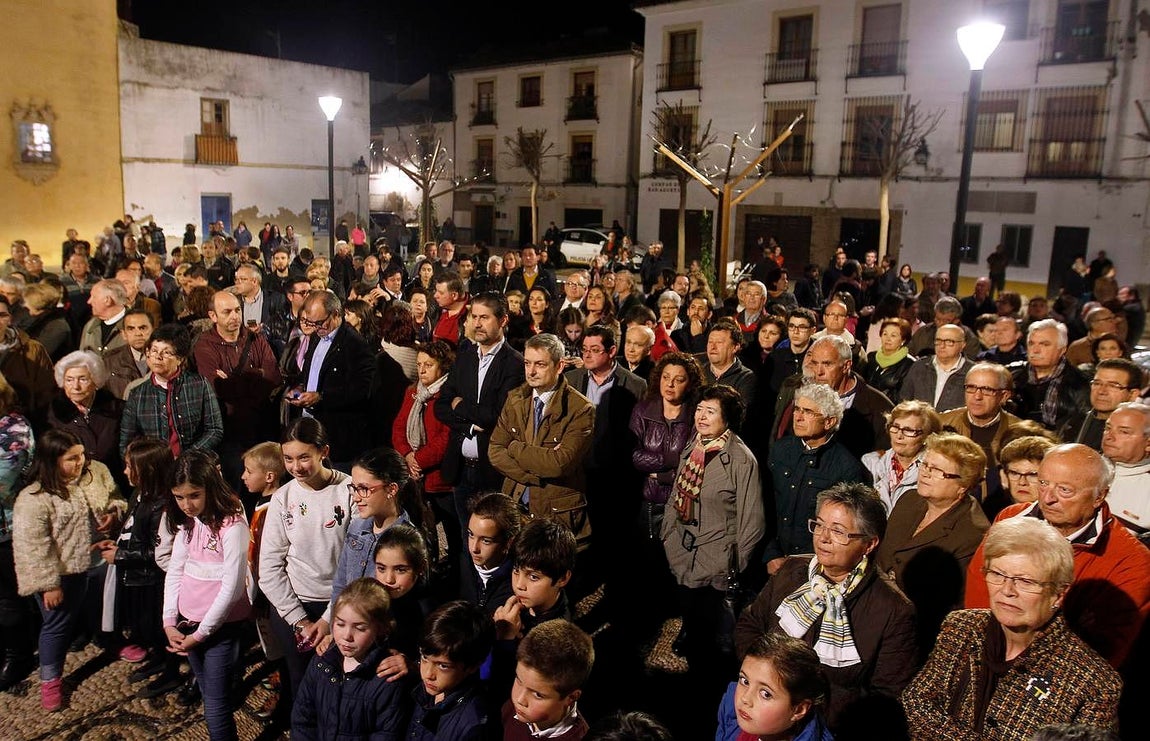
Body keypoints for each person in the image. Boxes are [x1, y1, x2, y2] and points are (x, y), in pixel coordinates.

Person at [902, 518, 1122, 739]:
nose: (1007, 591)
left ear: (1059, 594)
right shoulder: (962, 626)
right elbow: (914, 706)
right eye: (997, 574)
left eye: (1025, 581)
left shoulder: (1095, 684)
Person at [14, 429, 126, 711]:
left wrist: (94, 543)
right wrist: (48, 584)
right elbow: (33, 547)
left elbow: (73, 532)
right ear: (52, 460)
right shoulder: (33, 499)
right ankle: (50, 681)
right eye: (72, 458)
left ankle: (109, 642)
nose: (81, 462)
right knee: (56, 628)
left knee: (96, 609)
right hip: (58, 578)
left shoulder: (75, 485)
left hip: (82, 567)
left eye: (81, 455)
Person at [662, 384, 765, 679]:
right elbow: (676, 494)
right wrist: (669, 535)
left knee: (709, 640)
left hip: (717, 559)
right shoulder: (694, 445)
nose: (702, 417)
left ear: (727, 418)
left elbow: (753, 521)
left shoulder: (742, 459)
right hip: (682, 550)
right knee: (689, 613)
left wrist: (733, 563)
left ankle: (706, 685)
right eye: (699, 409)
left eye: (710, 411)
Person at [257, 417, 352, 716]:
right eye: (288, 459)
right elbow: (269, 567)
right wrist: (300, 621)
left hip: (341, 606)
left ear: (324, 451)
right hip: (294, 607)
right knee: (302, 685)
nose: (296, 467)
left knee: (339, 686)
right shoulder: (283, 498)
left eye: (303, 457)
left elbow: (355, 561)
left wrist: (327, 619)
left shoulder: (349, 490)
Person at [876, 432, 989, 653]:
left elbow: (949, 605)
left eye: (937, 470)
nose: (925, 473)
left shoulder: (973, 533)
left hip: (919, 636)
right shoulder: (909, 499)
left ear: (963, 485)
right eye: (925, 465)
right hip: (878, 614)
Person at [488, 333, 594, 546]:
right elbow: (495, 450)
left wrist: (514, 447)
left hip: (555, 513)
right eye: (527, 363)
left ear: (559, 366)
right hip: (516, 505)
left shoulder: (580, 409)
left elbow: (558, 464)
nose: (531, 371)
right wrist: (534, 475)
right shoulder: (515, 398)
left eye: (540, 364)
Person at [96, 438, 176, 687]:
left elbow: (159, 551)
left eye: (130, 466)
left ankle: (170, 670)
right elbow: (134, 531)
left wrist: (120, 556)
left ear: (148, 470)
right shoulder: (140, 494)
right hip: (137, 578)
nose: (125, 471)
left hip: (153, 581)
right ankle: (158, 657)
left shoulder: (163, 505)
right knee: (145, 627)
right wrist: (117, 542)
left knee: (158, 626)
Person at [765, 382, 869, 574]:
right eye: (797, 409)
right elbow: (765, 506)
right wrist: (771, 553)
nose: (798, 417)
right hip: (773, 561)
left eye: (808, 412)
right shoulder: (780, 450)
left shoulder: (846, 467)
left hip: (815, 566)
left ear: (829, 422)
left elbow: (846, 529)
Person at [291, 578, 413, 740]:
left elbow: (386, 734)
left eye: (360, 628)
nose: (347, 636)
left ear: (380, 629)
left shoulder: (387, 679)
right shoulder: (321, 663)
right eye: (340, 624)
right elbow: (302, 718)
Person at [193, 290, 282, 491]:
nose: (235, 316)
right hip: (230, 430)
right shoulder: (204, 346)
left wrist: (237, 379)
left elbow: (274, 377)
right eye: (227, 312)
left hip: (261, 425)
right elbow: (217, 387)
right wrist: (257, 376)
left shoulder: (255, 339)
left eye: (237, 310)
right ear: (213, 316)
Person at [326, 447, 415, 634]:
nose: (356, 497)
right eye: (354, 488)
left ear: (391, 489)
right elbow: (341, 584)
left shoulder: (406, 539)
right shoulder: (356, 527)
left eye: (364, 489)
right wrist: (336, 628)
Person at [286, 290, 375, 469]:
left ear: (335, 314)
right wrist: (300, 387)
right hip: (310, 429)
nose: (316, 328)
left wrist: (321, 397)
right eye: (311, 323)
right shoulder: (316, 337)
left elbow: (362, 391)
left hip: (338, 438)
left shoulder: (355, 346)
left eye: (319, 322)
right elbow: (312, 372)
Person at [393, 340, 457, 578]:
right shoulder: (412, 392)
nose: (421, 370)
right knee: (421, 529)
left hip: (441, 479)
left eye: (428, 365)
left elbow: (445, 438)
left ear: (442, 366)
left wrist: (419, 460)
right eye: (419, 364)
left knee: (452, 531)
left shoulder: (448, 394)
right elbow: (399, 427)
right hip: (415, 477)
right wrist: (408, 456)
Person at [119, 323, 223, 458]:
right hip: (154, 465)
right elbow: (126, 443)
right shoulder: (137, 394)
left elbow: (215, 430)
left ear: (180, 359)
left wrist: (186, 457)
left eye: (166, 352)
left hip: (193, 462)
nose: (158, 357)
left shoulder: (199, 384)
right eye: (154, 350)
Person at [406, 599, 498, 741]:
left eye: (443, 666)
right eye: (424, 658)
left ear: (473, 666)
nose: (428, 674)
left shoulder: (473, 726)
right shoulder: (427, 691)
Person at [717, 633, 834, 741]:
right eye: (745, 681)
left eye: (766, 694)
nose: (745, 698)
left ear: (799, 710)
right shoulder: (730, 713)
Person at [936, 362, 1021, 503]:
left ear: (1004, 396)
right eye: (971, 388)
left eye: (987, 390)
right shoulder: (942, 424)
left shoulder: (1018, 433)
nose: (977, 396)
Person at [502, 618, 594, 741]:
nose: (520, 700)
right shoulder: (510, 709)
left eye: (538, 695)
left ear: (571, 697)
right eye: (519, 680)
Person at [0, 376, 35, 693]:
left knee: (9, 597)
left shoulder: (14, 428)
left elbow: (5, 478)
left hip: (7, 528)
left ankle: (18, 654)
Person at [1007, 319, 1090, 440]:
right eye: (1031, 343)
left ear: (1062, 350)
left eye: (1045, 344)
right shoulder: (1012, 375)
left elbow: (1082, 427)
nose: (1035, 350)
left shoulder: (1079, 383)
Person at [862, 400, 940, 513]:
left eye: (908, 430)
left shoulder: (934, 471)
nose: (899, 436)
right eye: (895, 427)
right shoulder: (870, 463)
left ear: (926, 437)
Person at [461, 492, 522, 618]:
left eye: (486, 541)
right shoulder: (460, 565)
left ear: (509, 543)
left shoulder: (518, 585)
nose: (474, 548)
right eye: (471, 535)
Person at [0, 294, 56, 430]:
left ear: (10, 318)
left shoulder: (33, 349)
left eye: (2, 315)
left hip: (22, 427)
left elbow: (47, 393)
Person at [1100, 400, 1150, 538]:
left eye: (1124, 432)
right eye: (1108, 428)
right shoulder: (1082, 466)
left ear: (1148, 443)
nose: (1109, 436)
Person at [898, 323, 970, 412]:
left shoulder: (972, 372)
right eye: (938, 341)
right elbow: (904, 401)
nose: (942, 346)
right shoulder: (919, 367)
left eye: (949, 342)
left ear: (962, 345)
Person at [865, 317, 915, 402]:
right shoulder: (871, 357)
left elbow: (905, 397)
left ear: (903, 340)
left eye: (893, 335)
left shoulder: (910, 365)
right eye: (885, 334)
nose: (888, 339)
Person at [22, 281, 74, 362]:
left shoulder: (57, 326)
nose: (24, 304)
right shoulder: (38, 320)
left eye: (26, 301)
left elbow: (38, 353)